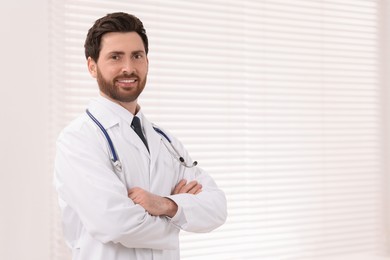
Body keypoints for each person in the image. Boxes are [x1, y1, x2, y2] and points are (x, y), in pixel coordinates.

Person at [54, 12, 227, 260]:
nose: (129, 67)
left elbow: (217, 208)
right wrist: (182, 216)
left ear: (147, 61)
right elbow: (114, 223)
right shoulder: (78, 140)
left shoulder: (165, 141)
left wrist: (166, 205)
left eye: (137, 56)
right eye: (115, 57)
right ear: (92, 66)